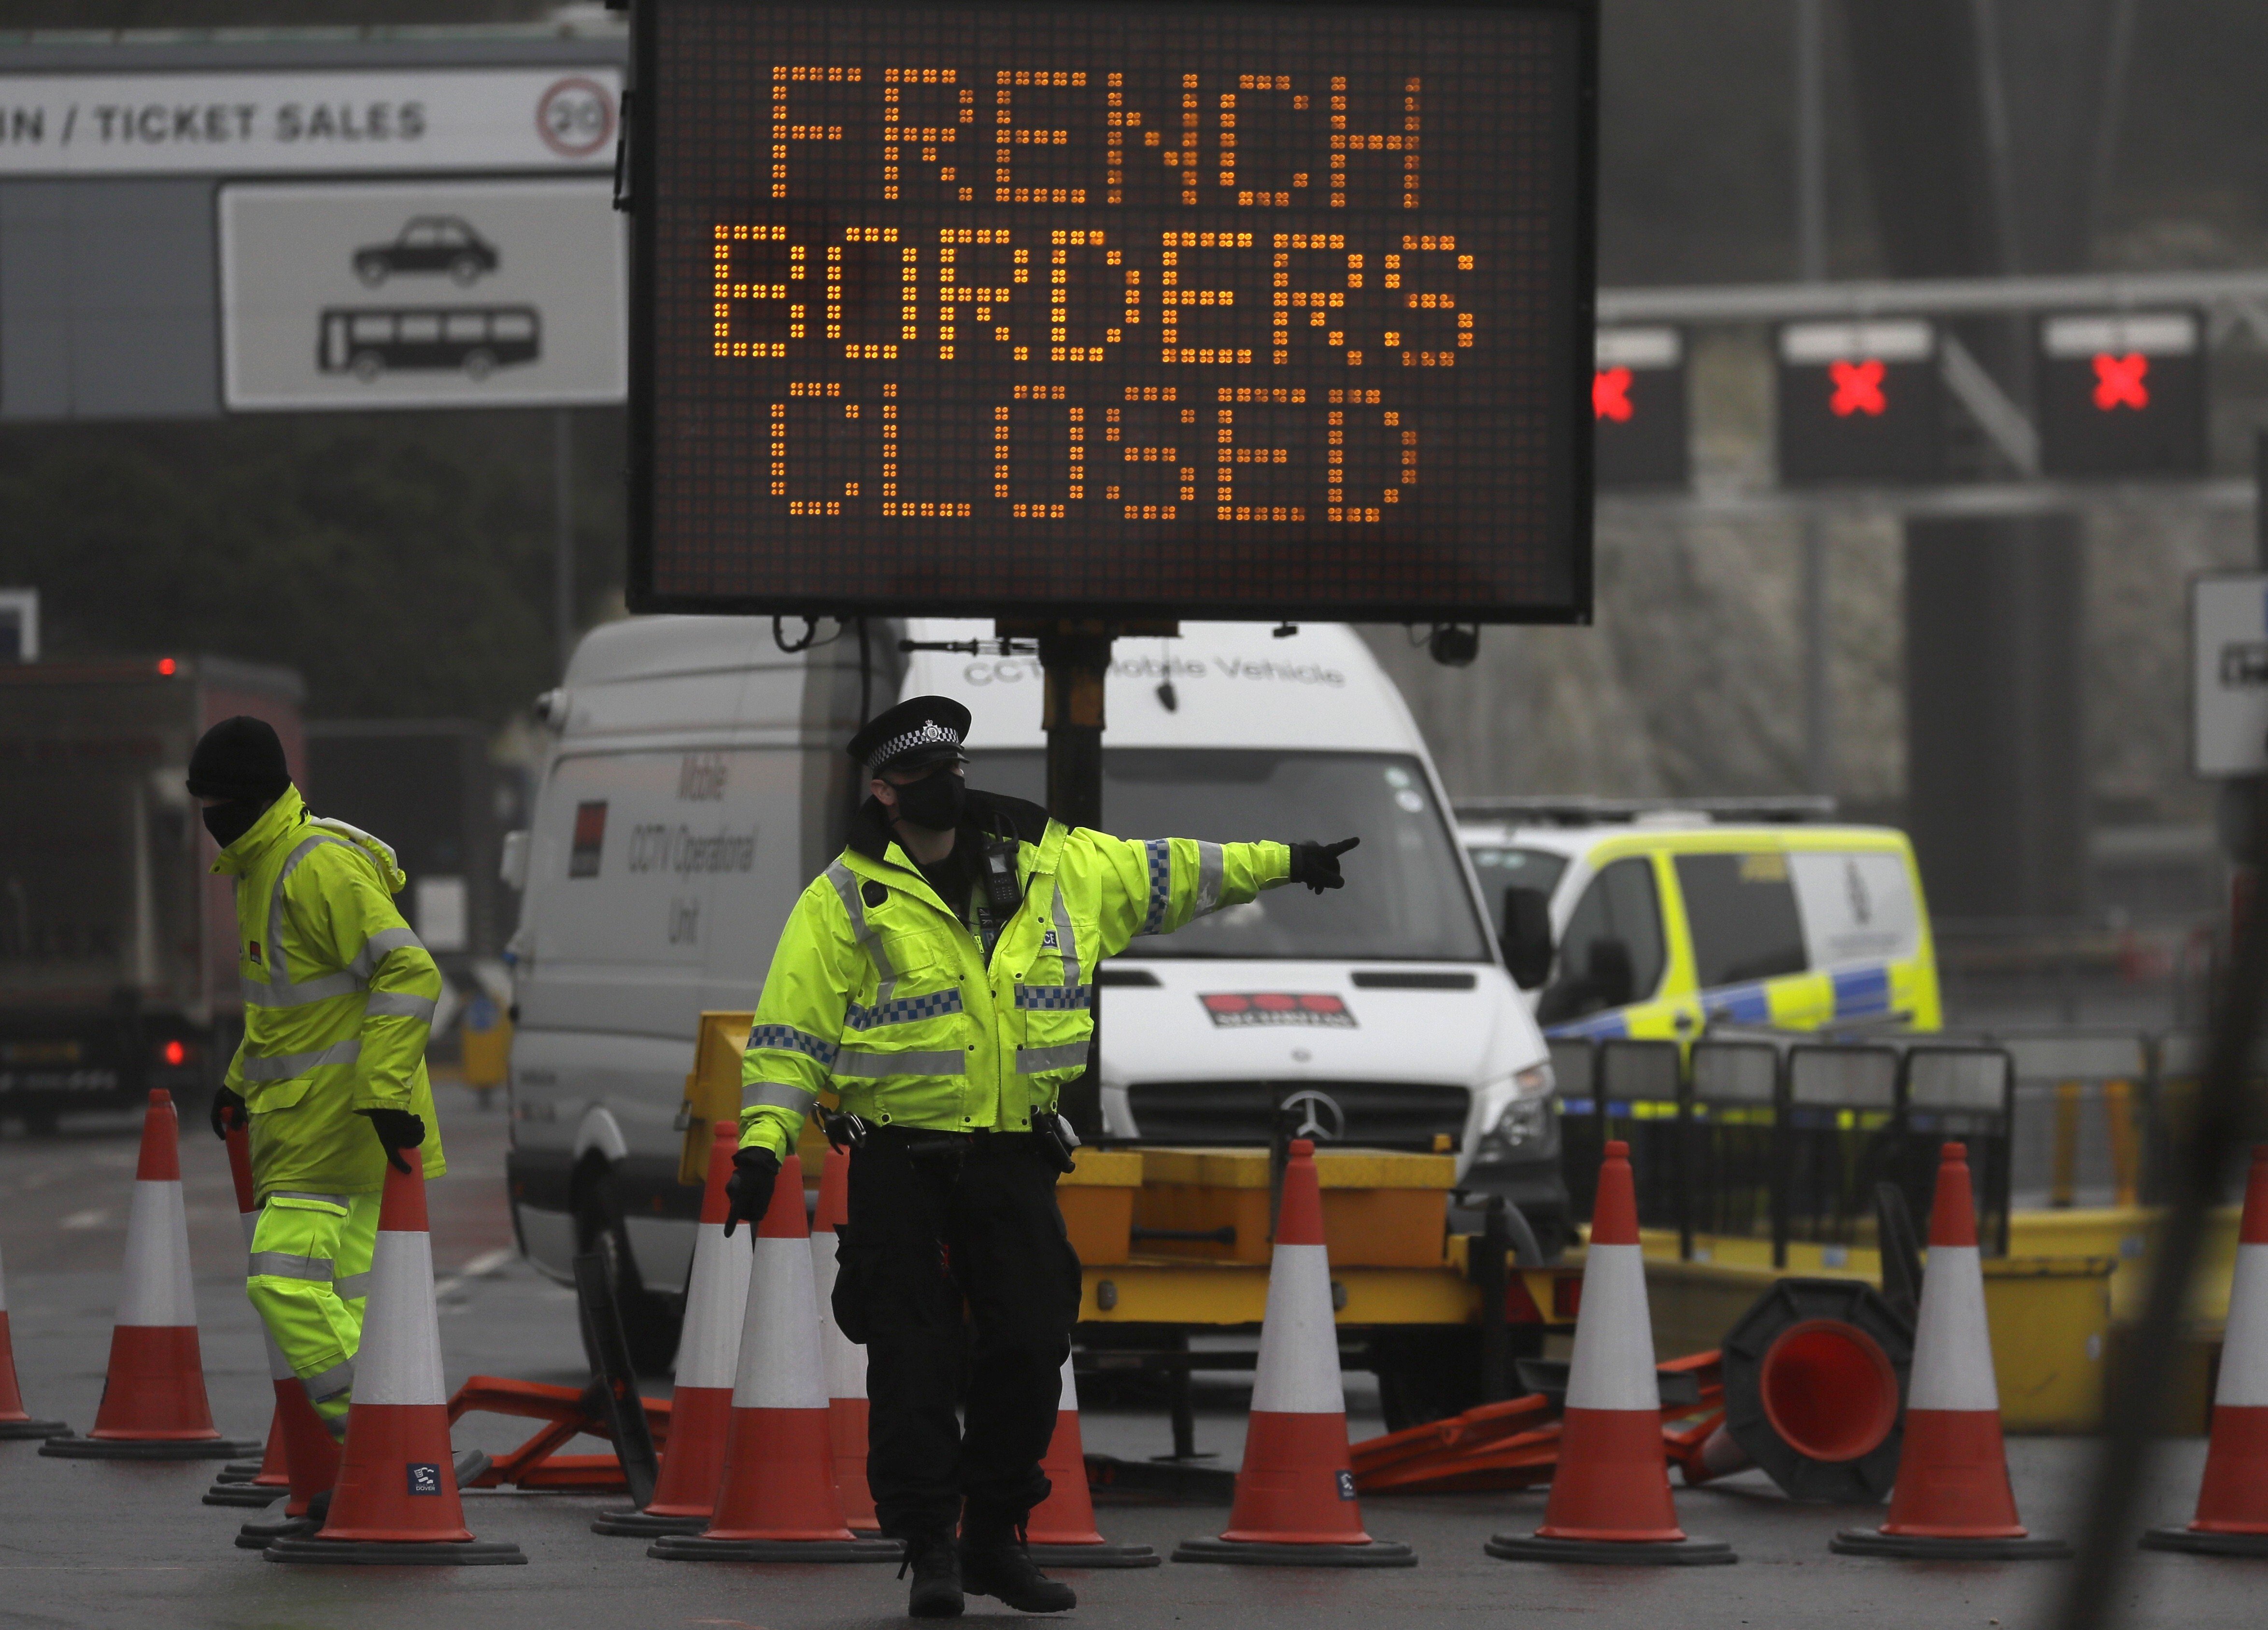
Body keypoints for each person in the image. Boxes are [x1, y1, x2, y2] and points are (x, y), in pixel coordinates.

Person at [727, 695, 1357, 1618]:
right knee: (911, 1360)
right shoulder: (843, 903)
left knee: (1030, 1345)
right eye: (925, 777)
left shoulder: (1056, 863)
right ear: (885, 792)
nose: (948, 787)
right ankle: (930, 1547)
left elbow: (1180, 870)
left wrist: (1290, 864)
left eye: (955, 769)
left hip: (1014, 1159)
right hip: (900, 1161)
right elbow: (788, 1043)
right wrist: (760, 1149)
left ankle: (992, 1539)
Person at [190, 715, 446, 1477]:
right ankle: (397, 1461)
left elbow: (412, 974)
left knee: (282, 1282)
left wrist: (379, 1090)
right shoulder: (260, 866)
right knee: (363, 1303)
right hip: (327, 1128)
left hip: (338, 1128)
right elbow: (292, 1012)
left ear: (248, 800)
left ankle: (380, 1443)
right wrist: (239, 1082)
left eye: (216, 802)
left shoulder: (313, 867)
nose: (207, 819)